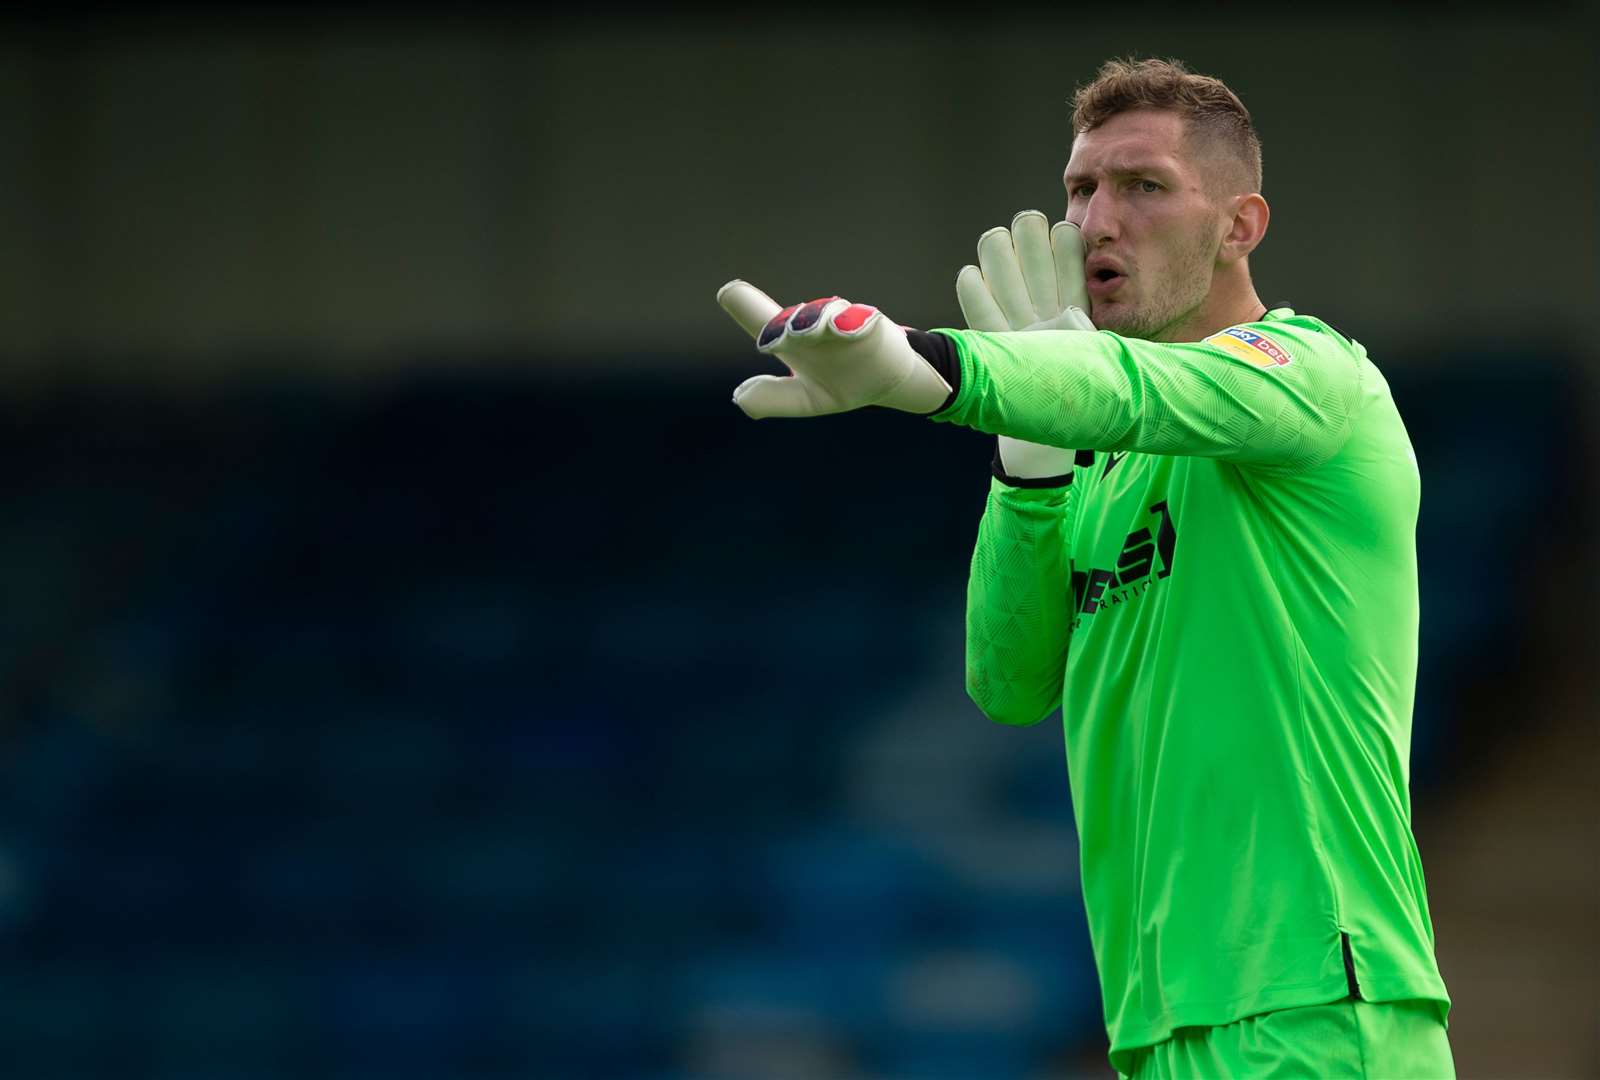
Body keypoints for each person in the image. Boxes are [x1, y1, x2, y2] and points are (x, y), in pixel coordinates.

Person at [716, 57, 1453, 1079]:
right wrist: (1026, 466)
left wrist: (927, 367)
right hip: (1153, 1020)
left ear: (1239, 226)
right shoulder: (1097, 463)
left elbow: (1143, 394)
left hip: (1316, 1004)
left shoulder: (1316, 378)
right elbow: (1008, 685)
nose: (1095, 222)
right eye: (1080, 188)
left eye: (1143, 186)